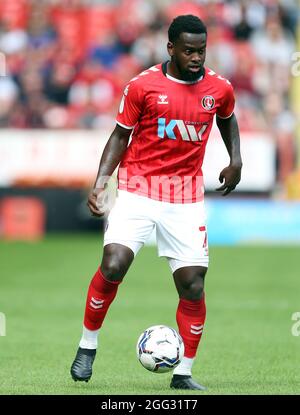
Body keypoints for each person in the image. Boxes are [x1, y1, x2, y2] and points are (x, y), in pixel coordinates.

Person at [70, 14, 242, 390]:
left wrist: (236, 158)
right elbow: (119, 136)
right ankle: (88, 345)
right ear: (171, 48)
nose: (197, 57)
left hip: (185, 199)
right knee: (113, 265)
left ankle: (183, 373)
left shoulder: (219, 87)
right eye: (189, 51)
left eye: (202, 50)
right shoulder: (142, 86)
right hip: (137, 190)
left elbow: (227, 118)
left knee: (193, 285)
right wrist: (102, 183)